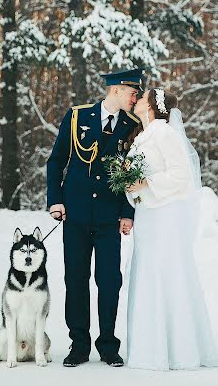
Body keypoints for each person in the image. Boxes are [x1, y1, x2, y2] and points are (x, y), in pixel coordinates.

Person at [46, 68, 143, 368]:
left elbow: (133, 170)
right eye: (132, 92)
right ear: (115, 89)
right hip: (74, 212)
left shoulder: (132, 125)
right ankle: (79, 345)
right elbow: (56, 161)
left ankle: (108, 345)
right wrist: (55, 201)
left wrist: (128, 213)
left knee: (109, 280)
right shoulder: (77, 117)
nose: (135, 97)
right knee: (76, 279)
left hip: (109, 216)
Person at [125, 88, 218, 371]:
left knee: (167, 275)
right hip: (147, 216)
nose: (136, 101)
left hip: (166, 216)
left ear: (152, 106)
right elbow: (135, 179)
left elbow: (182, 175)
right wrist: (132, 188)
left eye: (141, 98)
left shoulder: (165, 134)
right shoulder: (141, 138)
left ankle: (179, 350)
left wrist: (145, 184)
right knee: (147, 275)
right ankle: (148, 349)